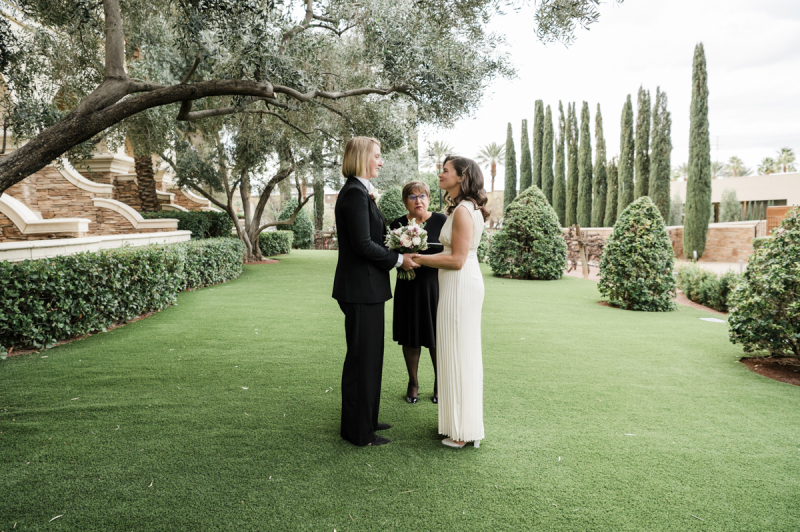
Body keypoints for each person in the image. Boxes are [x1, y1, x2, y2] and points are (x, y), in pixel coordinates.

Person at [332, 137, 419, 447]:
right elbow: (362, 245)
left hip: (367, 288)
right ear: (362, 158)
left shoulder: (361, 192)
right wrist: (399, 259)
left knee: (371, 357)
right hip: (359, 288)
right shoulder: (354, 194)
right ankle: (358, 431)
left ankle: (367, 418)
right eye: (378, 157)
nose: (381, 162)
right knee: (361, 359)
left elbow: (373, 238)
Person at [411, 156, 489, 449]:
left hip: (460, 284)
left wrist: (416, 258)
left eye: (445, 171)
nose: (440, 174)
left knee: (460, 354)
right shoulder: (462, 209)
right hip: (456, 284)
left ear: (461, 176)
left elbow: (457, 260)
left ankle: (463, 430)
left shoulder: (464, 212)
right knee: (454, 351)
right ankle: (457, 423)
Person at [389, 181, 447, 404]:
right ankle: (413, 382)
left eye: (422, 195)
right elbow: (390, 255)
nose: (418, 200)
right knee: (410, 336)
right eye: (412, 197)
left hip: (435, 286)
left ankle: (439, 383)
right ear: (405, 202)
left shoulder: (441, 221)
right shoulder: (397, 224)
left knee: (436, 336)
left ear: (429, 199)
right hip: (407, 286)